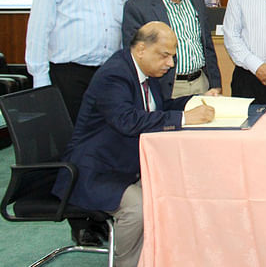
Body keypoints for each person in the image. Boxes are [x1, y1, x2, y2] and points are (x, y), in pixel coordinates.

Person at [51, 22, 215, 267]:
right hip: (93, 171)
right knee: (138, 207)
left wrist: (194, 101)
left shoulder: (145, 71)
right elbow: (126, 121)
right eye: (165, 55)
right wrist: (184, 118)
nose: (170, 63)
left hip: (123, 164)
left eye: (172, 56)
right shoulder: (114, 75)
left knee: (175, 190)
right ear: (141, 50)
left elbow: (157, 110)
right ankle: (126, 263)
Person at [25, 0, 131, 247]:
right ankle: (80, 221)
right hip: (68, 74)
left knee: (106, 144)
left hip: (108, 74)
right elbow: (38, 30)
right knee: (76, 147)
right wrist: (41, 83)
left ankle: (102, 211)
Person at [122, 0, 222, 99]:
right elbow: (135, 56)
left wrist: (215, 82)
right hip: (167, 87)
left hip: (201, 83)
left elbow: (206, 42)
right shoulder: (138, 6)